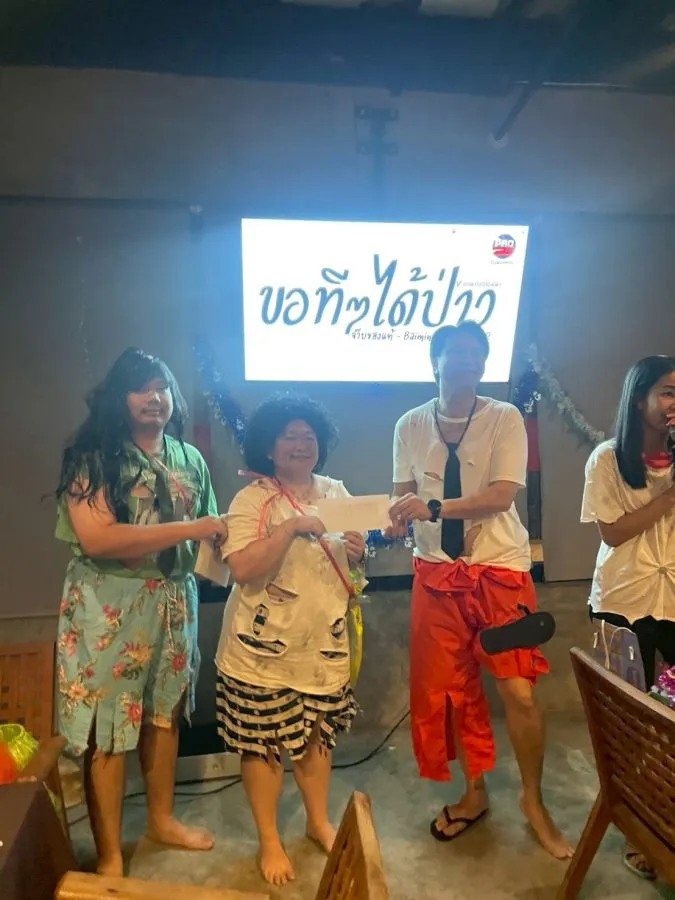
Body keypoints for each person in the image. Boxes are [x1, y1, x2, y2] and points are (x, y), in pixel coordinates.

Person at [388, 321, 573, 859]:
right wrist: (395, 518)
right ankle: (475, 794)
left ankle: (533, 801)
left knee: (519, 690)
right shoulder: (409, 424)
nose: (469, 360)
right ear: (435, 362)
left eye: (477, 353)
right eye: (458, 352)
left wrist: (434, 508)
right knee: (453, 694)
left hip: (499, 571)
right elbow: (402, 496)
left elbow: (501, 495)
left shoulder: (504, 417)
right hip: (436, 575)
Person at [55, 347, 227, 875]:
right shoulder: (93, 456)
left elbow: (213, 530)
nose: (155, 398)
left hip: (175, 601)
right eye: (141, 389)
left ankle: (161, 819)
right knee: (108, 727)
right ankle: (109, 852)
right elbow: (98, 538)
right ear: (119, 397)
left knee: (164, 713)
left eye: (162, 387)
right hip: (110, 607)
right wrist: (192, 529)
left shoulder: (189, 458)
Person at [215, 393, 366, 887]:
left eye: (309, 436)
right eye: (289, 437)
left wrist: (358, 551)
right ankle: (269, 838)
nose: (301, 445)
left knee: (316, 736)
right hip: (260, 653)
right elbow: (243, 569)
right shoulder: (251, 499)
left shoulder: (337, 491)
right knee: (262, 744)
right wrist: (291, 527)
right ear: (269, 446)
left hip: (323, 644)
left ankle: (317, 821)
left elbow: (349, 563)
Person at [581, 354, 675, 880]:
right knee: (631, 721)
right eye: (668, 392)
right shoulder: (608, 459)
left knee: (673, 719)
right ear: (640, 400)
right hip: (624, 602)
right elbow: (612, 532)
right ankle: (640, 827)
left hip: (674, 600)